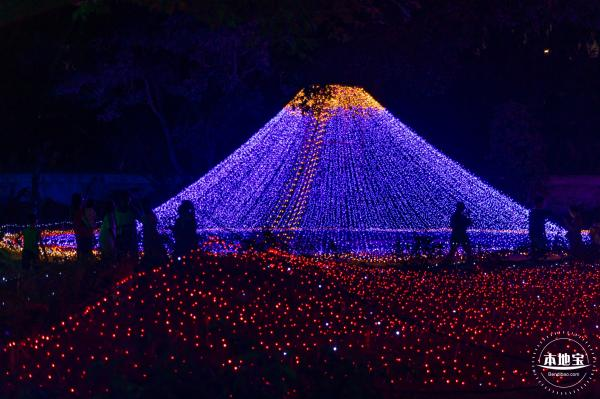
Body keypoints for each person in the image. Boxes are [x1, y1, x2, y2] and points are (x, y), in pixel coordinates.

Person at [115, 192, 139, 260]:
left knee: (130, 253)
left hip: (130, 235)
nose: (126, 202)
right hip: (121, 235)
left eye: (127, 200)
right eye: (125, 200)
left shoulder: (132, 210)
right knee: (122, 253)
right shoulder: (116, 211)